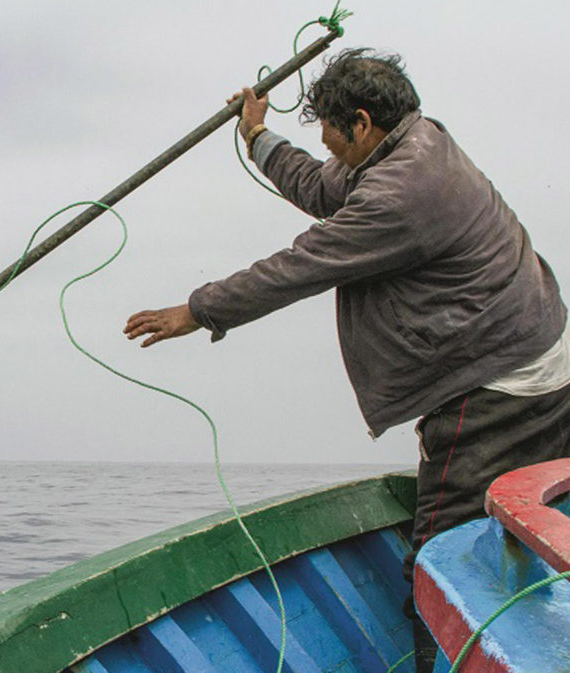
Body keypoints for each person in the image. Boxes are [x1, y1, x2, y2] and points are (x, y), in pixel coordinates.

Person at [123, 48, 570, 672]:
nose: (326, 146)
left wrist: (197, 310)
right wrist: (256, 134)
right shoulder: (415, 143)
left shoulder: (399, 194)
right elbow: (320, 183)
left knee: (445, 565)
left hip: (497, 388)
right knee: (508, 543)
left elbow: (300, 267)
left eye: (329, 132)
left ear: (360, 122)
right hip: (536, 358)